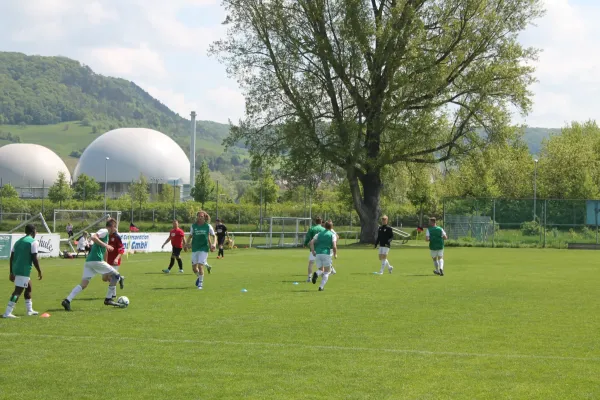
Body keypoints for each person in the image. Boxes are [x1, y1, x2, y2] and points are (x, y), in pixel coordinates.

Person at [61, 218, 125, 311]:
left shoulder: (107, 235)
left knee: (84, 284)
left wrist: (105, 260)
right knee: (116, 275)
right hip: (96, 260)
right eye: (115, 227)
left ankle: (67, 300)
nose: (115, 229)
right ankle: (108, 299)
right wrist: (106, 245)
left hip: (89, 261)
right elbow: (93, 237)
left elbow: (104, 251)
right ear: (111, 226)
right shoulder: (105, 231)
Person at [2, 224, 42, 318]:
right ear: (33, 232)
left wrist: (11, 272)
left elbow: (11, 257)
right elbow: (34, 258)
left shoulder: (18, 242)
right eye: (36, 231)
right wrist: (39, 271)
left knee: (29, 287)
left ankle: (29, 310)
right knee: (18, 291)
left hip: (17, 268)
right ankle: (7, 313)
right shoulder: (33, 242)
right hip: (24, 270)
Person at [185, 211, 216, 290]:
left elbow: (214, 236)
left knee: (200, 265)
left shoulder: (208, 226)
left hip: (204, 248)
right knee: (194, 268)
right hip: (195, 248)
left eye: (202, 216)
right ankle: (199, 277)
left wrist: (214, 244)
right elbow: (190, 236)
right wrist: (186, 244)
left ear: (205, 217)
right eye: (199, 216)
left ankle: (200, 284)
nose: (200, 217)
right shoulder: (193, 226)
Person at [310, 221, 337, 291]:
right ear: (332, 227)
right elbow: (334, 246)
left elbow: (311, 242)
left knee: (321, 270)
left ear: (324, 226)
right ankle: (321, 287)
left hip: (318, 253)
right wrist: (335, 254)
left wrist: (313, 251)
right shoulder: (332, 234)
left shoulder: (319, 234)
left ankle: (316, 273)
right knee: (327, 272)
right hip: (326, 254)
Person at [101, 230, 126, 307]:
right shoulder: (105, 236)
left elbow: (121, 250)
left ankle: (112, 296)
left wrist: (116, 259)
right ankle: (120, 278)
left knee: (112, 278)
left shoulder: (116, 237)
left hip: (115, 261)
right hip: (106, 260)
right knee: (104, 278)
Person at [303, 217, 325, 282]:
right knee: (321, 264)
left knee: (311, 263)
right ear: (321, 222)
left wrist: (305, 243)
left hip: (313, 248)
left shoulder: (312, 228)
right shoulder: (323, 229)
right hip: (321, 249)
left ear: (315, 222)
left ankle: (309, 277)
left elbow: (308, 237)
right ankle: (322, 276)